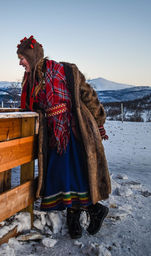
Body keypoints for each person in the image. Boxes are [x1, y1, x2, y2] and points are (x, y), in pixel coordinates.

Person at [16, 35, 112, 239]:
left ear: (32, 56)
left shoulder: (65, 70)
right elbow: (27, 106)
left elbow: (88, 95)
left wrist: (99, 122)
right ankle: (79, 216)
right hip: (52, 133)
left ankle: (89, 212)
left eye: (22, 57)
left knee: (75, 174)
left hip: (74, 130)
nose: (20, 62)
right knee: (63, 176)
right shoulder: (30, 80)